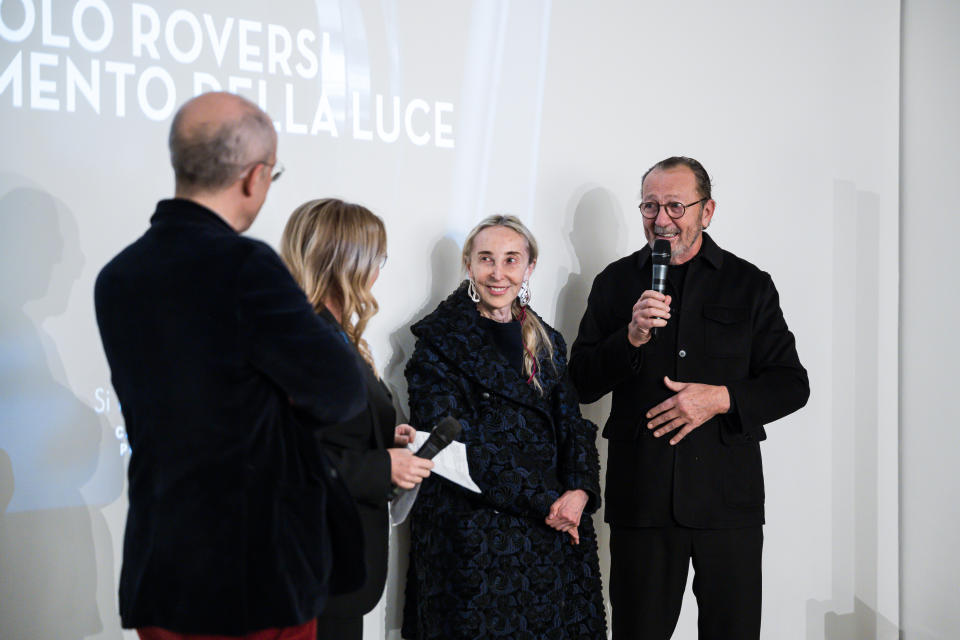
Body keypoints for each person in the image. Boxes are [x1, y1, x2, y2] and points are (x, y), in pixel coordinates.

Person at [94, 92, 368, 639]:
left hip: (161, 567)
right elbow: (342, 392)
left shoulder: (118, 276)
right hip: (252, 577)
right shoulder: (245, 266)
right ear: (254, 177)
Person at [569, 156, 810, 639]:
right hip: (643, 500)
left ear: (708, 210)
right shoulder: (615, 283)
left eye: (676, 206)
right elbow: (580, 382)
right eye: (650, 206)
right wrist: (630, 337)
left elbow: (791, 383)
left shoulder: (749, 284)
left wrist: (721, 398)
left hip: (727, 503)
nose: (661, 220)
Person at [401, 215, 607, 640]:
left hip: (554, 532)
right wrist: (546, 503)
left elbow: (573, 424)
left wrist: (580, 491)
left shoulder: (547, 340)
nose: (499, 273)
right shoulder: (438, 343)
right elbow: (452, 444)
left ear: (529, 268)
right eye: (486, 259)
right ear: (469, 265)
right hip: (476, 539)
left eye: (511, 260)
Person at [279, 198, 433, 640]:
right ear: (346, 261)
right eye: (376, 258)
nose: (379, 272)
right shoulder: (304, 339)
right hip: (313, 568)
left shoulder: (333, 334)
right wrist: (383, 466)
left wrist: (388, 439)